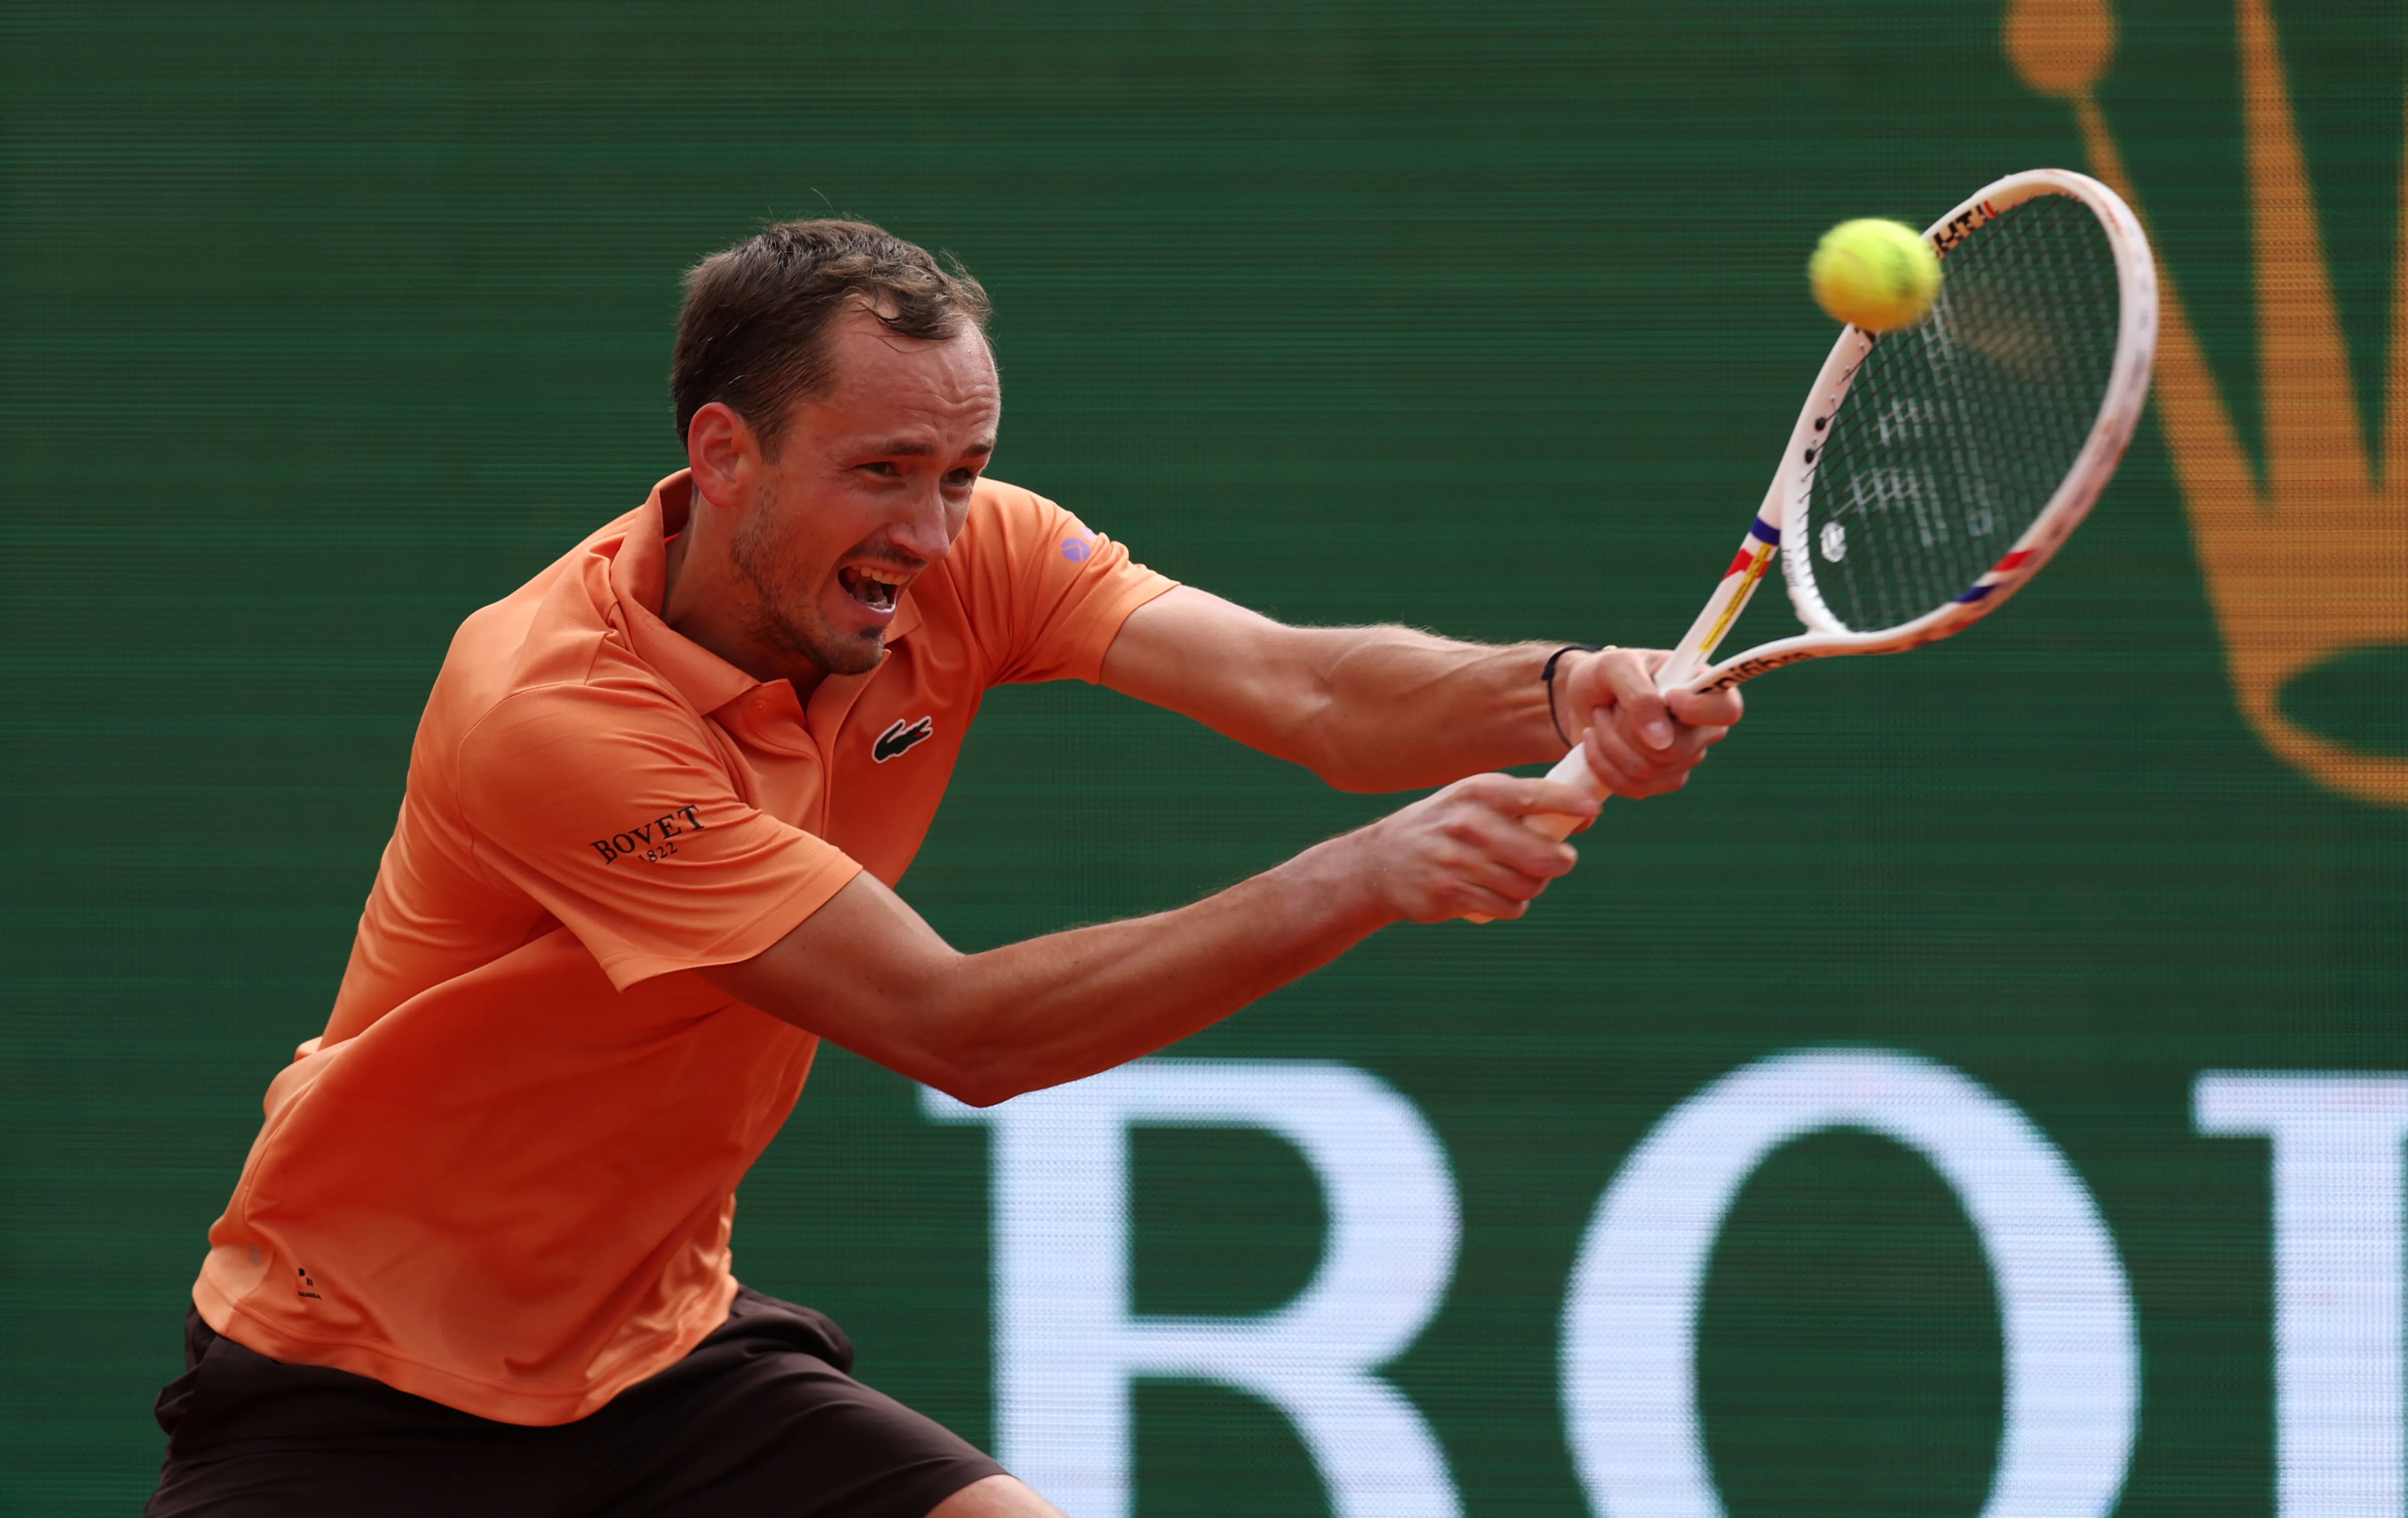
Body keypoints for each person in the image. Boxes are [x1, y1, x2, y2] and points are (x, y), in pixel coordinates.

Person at [147, 219, 1742, 1516]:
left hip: (654, 1357)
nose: (932, 527)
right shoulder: (555, 714)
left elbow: (1306, 688)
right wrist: (1363, 877)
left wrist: (1558, 684)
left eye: (963, 472)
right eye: (884, 470)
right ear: (725, 452)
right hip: (356, 1393)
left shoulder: (963, 558)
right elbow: (961, 1031)